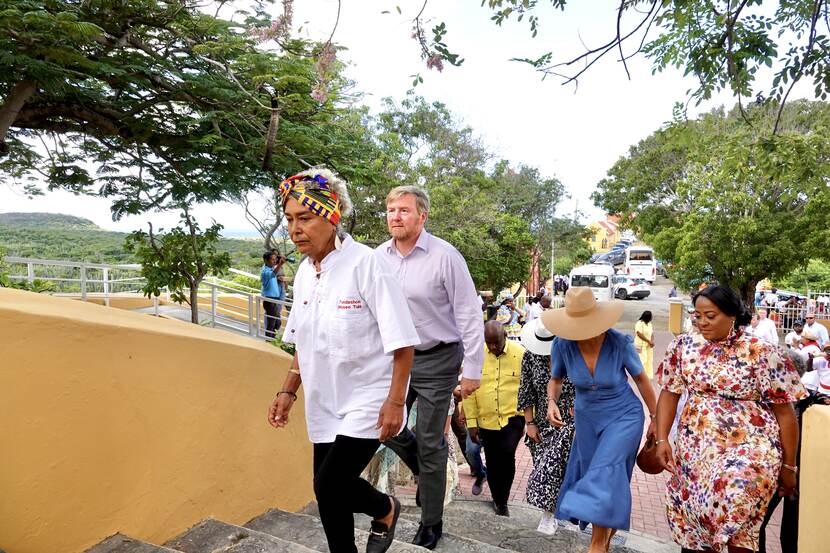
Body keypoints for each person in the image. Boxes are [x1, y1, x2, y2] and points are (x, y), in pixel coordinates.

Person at [267, 169, 420, 553]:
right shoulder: (304, 273)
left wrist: (396, 401)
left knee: (329, 484)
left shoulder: (367, 264)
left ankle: (385, 507)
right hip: (324, 399)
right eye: (289, 219)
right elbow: (303, 339)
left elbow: (403, 343)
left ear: (332, 215)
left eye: (305, 217)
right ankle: (364, 531)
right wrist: (288, 390)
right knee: (328, 496)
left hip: (368, 397)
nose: (295, 229)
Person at [654, 285, 806, 553]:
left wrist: (789, 466)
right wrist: (663, 438)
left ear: (732, 315)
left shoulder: (763, 351)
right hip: (697, 451)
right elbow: (669, 394)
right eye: (697, 316)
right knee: (697, 522)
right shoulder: (683, 347)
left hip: (751, 450)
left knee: (737, 508)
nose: (702, 322)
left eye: (710, 316)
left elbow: (786, 413)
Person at [379, 185, 484, 549]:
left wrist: (473, 367)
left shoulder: (445, 256)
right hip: (394, 357)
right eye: (391, 209)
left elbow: (469, 313)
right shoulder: (379, 257)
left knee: (429, 437)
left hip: (439, 357)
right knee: (382, 424)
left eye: (404, 210)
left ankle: (431, 523)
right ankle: (425, 463)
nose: (396, 216)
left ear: (422, 216)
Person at [540, 287, 658, 553]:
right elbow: (556, 380)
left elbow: (642, 380)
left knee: (604, 473)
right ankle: (603, 541)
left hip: (624, 415)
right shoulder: (562, 344)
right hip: (587, 419)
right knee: (607, 479)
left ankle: (595, 544)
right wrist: (551, 402)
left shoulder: (619, 343)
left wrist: (656, 419)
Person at [518, 317, 575, 536]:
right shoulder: (530, 357)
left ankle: (569, 510)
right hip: (542, 422)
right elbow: (526, 392)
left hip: (571, 421)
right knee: (546, 468)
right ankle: (548, 513)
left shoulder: (572, 354)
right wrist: (530, 423)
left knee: (568, 468)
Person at [463, 321, 525, 517]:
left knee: (506, 455)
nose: (492, 347)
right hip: (486, 418)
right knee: (492, 459)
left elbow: (529, 387)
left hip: (512, 417)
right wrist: (472, 423)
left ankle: (502, 500)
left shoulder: (520, 354)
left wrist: (530, 420)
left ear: (505, 335)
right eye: (488, 343)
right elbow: (469, 392)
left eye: (496, 342)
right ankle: (498, 497)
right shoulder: (476, 357)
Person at [260, 250, 286, 338]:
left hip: (274, 300)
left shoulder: (271, 268)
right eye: (272, 259)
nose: (274, 261)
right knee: (271, 323)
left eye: (275, 259)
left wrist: (279, 260)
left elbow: (275, 269)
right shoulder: (265, 271)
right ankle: (269, 342)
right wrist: (280, 264)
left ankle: (272, 339)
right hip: (269, 300)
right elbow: (273, 273)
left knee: (277, 323)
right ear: (266, 261)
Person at [634, 310, 655, 379]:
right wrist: (648, 341)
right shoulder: (639, 323)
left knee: (649, 360)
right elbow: (639, 334)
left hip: (648, 346)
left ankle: (647, 375)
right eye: (650, 317)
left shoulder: (649, 324)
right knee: (641, 360)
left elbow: (652, 333)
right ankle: (640, 375)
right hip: (640, 345)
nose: (651, 318)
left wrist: (651, 341)